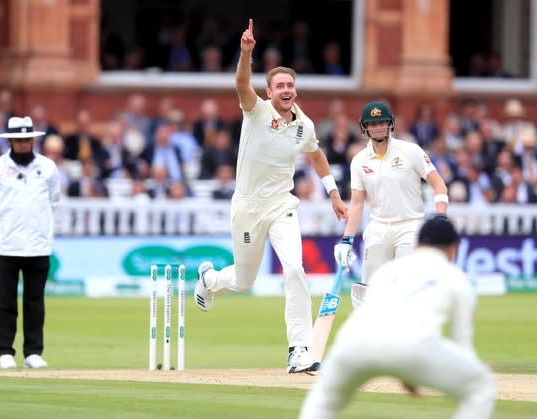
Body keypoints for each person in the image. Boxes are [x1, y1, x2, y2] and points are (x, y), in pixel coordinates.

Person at [194, 19, 347, 375]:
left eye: (290, 84)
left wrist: (334, 194)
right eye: (279, 85)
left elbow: (317, 156)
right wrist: (247, 52)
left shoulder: (304, 125)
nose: (286, 89)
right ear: (270, 91)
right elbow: (240, 82)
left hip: (282, 206)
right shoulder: (256, 110)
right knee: (245, 280)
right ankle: (210, 280)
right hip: (248, 208)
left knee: (294, 269)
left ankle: (299, 351)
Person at [300, 216, 496, 419]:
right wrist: (470, 365)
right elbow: (461, 344)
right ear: (453, 249)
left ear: (417, 243)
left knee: (323, 402)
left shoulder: (386, 271)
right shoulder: (457, 279)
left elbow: (383, 321)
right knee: (480, 387)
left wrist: (407, 369)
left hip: (351, 344)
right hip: (414, 349)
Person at [334, 100, 449, 302]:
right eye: (372, 123)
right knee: (368, 291)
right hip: (378, 228)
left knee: (407, 287)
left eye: (382, 122)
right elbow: (357, 203)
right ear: (365, 127)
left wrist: (441, 218)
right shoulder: (359, 160)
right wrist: (346, 240)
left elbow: (439, 184)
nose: (378, 127)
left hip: (410, 226)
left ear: (390, 124)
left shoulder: (410, 151)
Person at [0, 116, 60, 369]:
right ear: (10, 140)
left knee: (35, 301)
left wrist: (40, 228)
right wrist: (1, 227)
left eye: (27, 139)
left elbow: (53, 202)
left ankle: (33, 352)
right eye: (19, 139)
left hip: (37, 245)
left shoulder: (48, 168)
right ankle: (5, 352)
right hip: (7, 245)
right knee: (6, 300)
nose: (23, 144)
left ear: (32, 140)